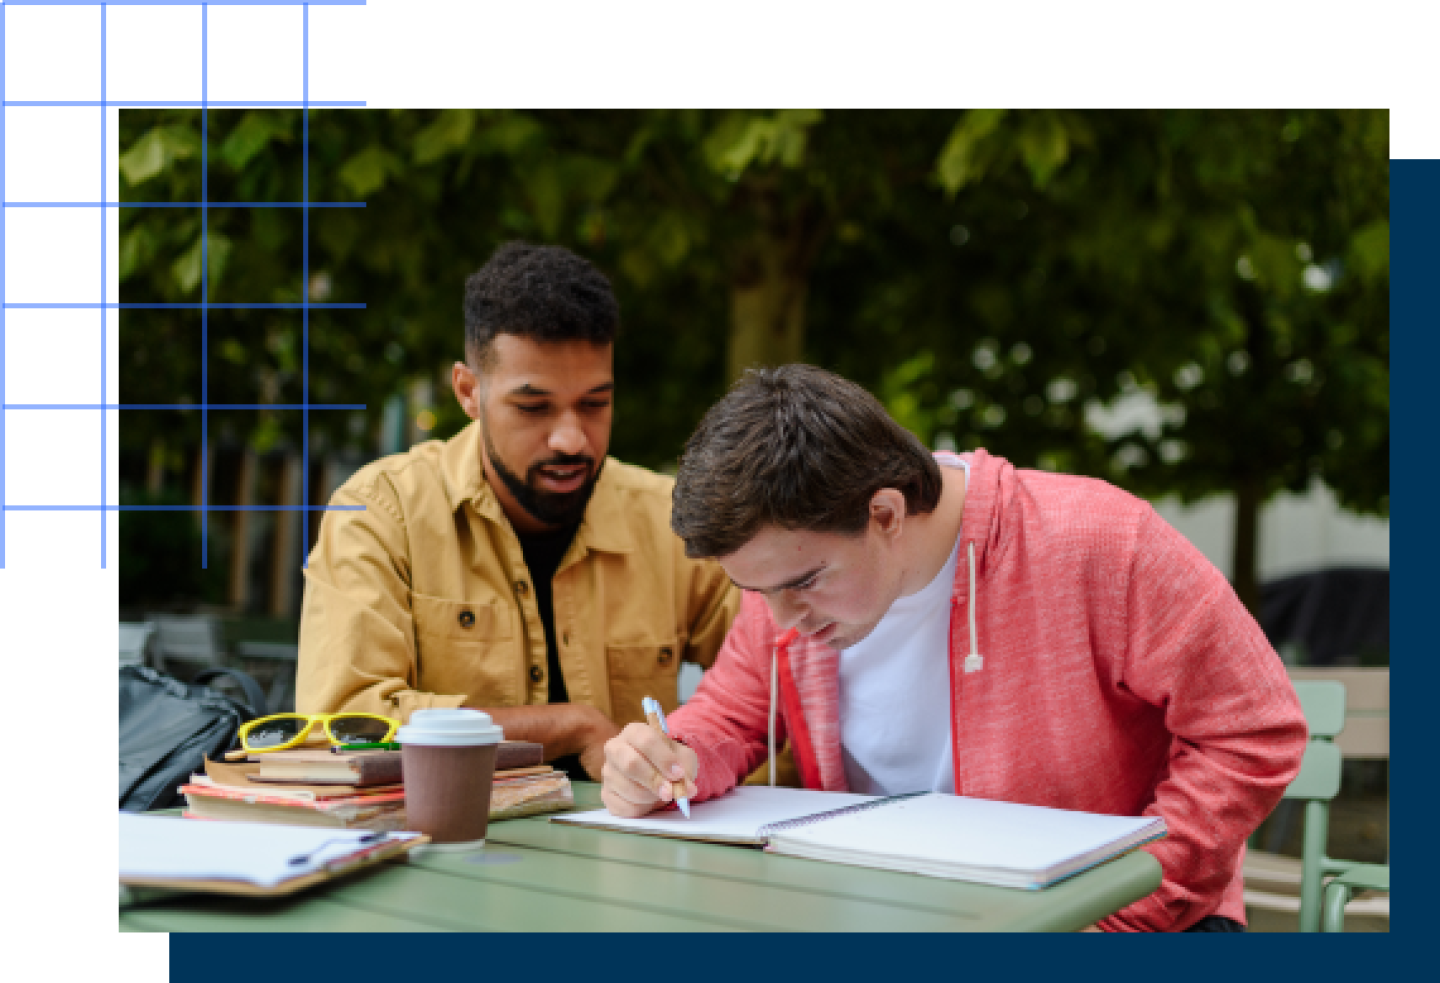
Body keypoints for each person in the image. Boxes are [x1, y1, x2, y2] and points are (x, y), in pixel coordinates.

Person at [601, 363, 1307, 932]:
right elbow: (726, 717)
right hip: (887, 913)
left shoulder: (1101, 542)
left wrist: (1122, 902)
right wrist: (670, 758)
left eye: (804, 582)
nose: (782, 619)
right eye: (756, 592)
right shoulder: (787, 584)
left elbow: (1254, 726)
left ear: (885, 512)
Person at [297, 243, 740, 781]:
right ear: (468, 392)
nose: (572, 438)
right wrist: (570, 726)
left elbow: (777, 683)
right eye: (533, 407)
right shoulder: (379, 514)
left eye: (595, 403)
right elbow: (339, 726)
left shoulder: (668, 522)